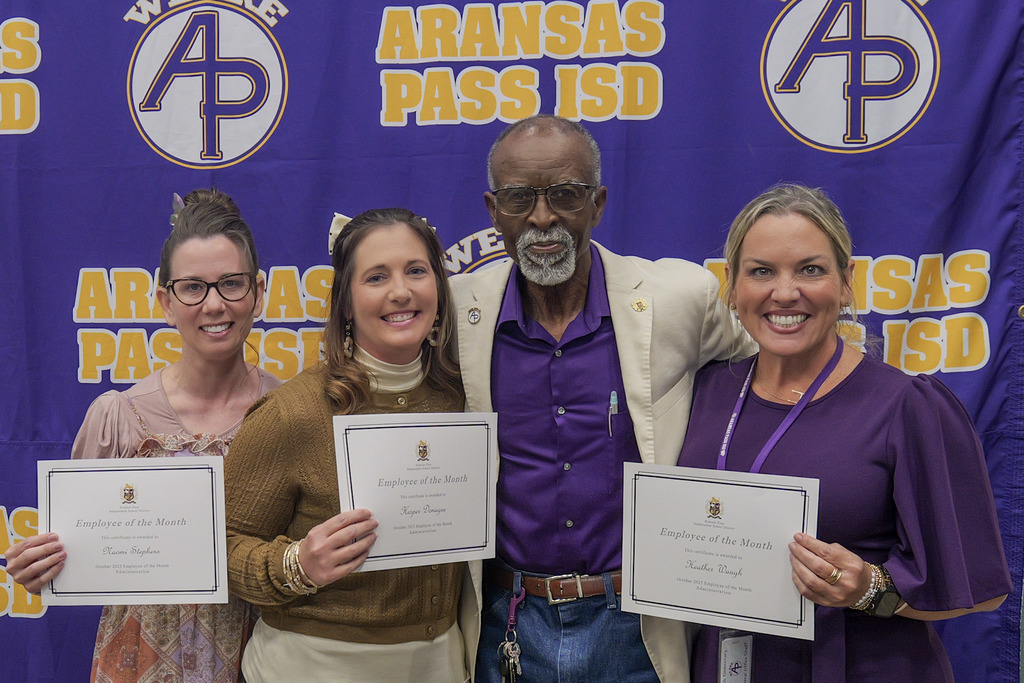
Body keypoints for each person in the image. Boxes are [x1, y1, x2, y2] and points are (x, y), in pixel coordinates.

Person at [450, 115, 755, 682]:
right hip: (506, 623)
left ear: (598, 202)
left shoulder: (678, 299)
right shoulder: (454, 311)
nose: (543, 218)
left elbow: (769, 383)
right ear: (494, 211)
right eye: (520, 199)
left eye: (565, 194)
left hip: (639, 625)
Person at [676, 183, 1011, 681]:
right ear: (732, 285)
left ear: (846, 280)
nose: (784, 292)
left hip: (859, 666)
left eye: (810, 269)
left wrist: (870, 590)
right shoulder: (706, 391)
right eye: (761, 271)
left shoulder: (907, 406)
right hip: (726, 664)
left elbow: (980, 590)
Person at [4, 188, 281, 682]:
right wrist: (41, 566)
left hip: (264, 658)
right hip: (138, 664)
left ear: (259, 292)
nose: (214, 304)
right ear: (165, 302)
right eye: (193, 287)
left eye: (231, 284)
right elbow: (74, 555)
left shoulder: (289, 413)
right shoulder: (118, 418)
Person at [222, 208, 481, 682]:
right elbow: (223, 545)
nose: (400, 291)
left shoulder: (467, 401)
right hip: (312, 666)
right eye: (376, 276)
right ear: (345, 302)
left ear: (441, 292)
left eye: (416, 271)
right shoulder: (293, 412)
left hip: (440, 662)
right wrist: (296, 565)